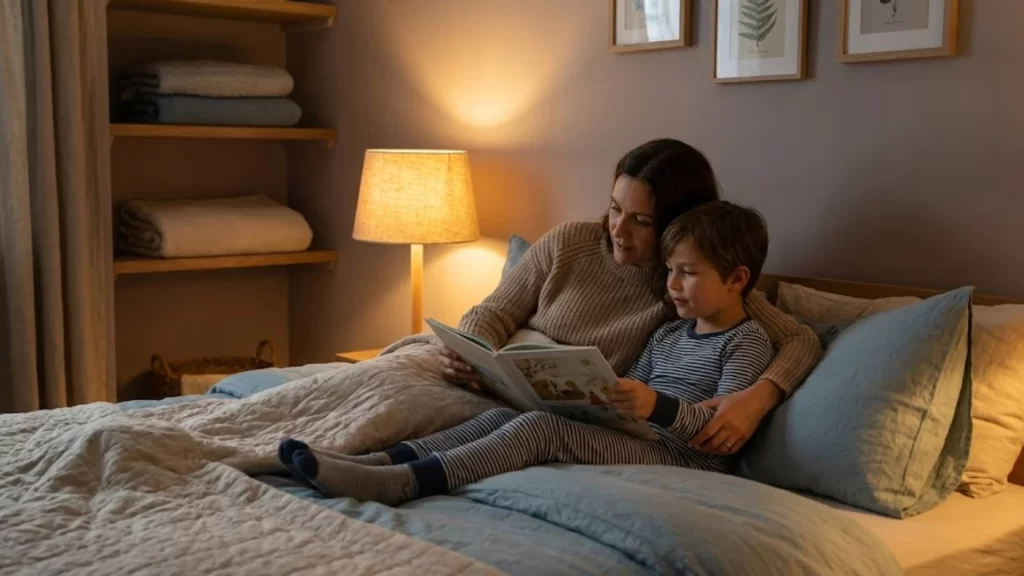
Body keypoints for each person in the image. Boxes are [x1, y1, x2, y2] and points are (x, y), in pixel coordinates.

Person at [276, 201, 777, 505]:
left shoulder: (747, 341)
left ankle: (405, 483)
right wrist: (602, 398)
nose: (672, 285)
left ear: (737, 280)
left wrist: (654, 406)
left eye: (688, 274)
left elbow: (719, 434)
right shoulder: (669, 334)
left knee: (540, 430)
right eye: (669, 271)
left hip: (683, 459)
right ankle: (378, 461)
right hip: (640, 438)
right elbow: (635, 396)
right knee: (505, 417)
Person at [441, 139, 820, 455]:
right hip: (497, 389)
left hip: (569, 424)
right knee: (417, 399)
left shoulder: (698, 288)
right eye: (615, 208)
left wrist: (759, 398)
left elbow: (799, 339)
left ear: (676, 225)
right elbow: (493, 312)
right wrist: (468, 350)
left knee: (505, 430)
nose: (618, 230)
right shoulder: (569, 242)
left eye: (641, 221)